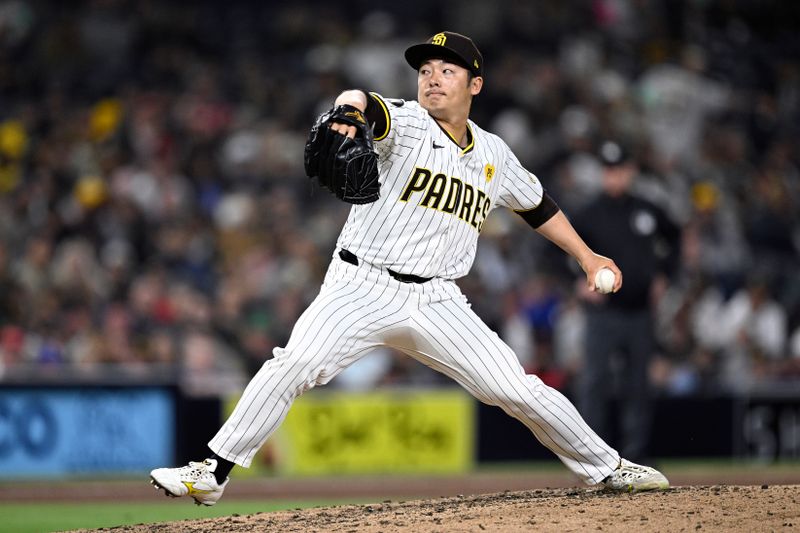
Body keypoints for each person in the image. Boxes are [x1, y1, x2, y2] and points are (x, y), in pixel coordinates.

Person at [150, 31, 668, 506]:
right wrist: (346, 112)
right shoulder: (407, 122)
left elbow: (537, 206)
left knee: (515, 388)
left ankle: (607, 469)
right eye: (425, 70)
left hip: (439, 299)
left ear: (475, 83)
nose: (433, 77)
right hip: (362, 284)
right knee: (294, 363)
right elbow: (361, 100)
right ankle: (211, 473)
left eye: (447, 69)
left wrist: (586, 256)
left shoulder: (494, 153)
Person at [572, 140, 681, 463]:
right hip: (602, 314)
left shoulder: (647, 209)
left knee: (638, 385)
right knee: (595, 384)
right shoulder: (589, 214)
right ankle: (594, 459)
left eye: (619, 170)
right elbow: (556, 251)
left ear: (630, 171)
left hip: (639, 312)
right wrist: (576, 281)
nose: (614, 177)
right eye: (608, 170)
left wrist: (664, 274)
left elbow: (675, 238)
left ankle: (635, 456)